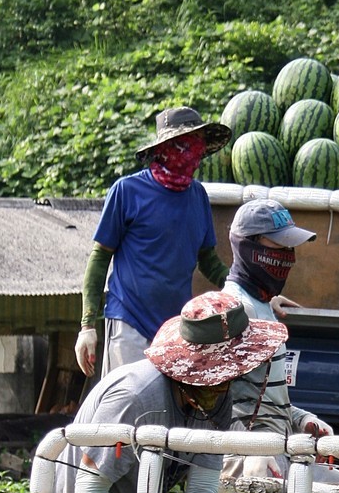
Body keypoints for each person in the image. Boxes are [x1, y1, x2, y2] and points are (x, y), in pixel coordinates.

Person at [54, 291, 288, 493]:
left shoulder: (218, 398)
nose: (227, 383)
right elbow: (88, 492)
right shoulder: (135, 399)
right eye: (220, 373)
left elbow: (202, 487)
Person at [219, 198, 339, 493]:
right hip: (253, 461)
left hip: (279, 451)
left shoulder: (262, 306)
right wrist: (254, 449)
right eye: (279, 246)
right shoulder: (235, 311)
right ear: (248, 247)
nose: (288, 257)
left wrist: (299, 418)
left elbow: (259, 394)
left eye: (291, 247)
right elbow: (216, 398)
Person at [74, 107, 232, 378]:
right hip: (129, 322)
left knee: (164, 414)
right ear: (164, 149)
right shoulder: (127, 191)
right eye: (183, 144)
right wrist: (87, 326)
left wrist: (249, 290)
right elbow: (100, 257)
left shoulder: (198, 197)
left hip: (175, 329)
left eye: (196, 144)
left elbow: (209, 262)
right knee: (126, 408)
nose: (191, 152)